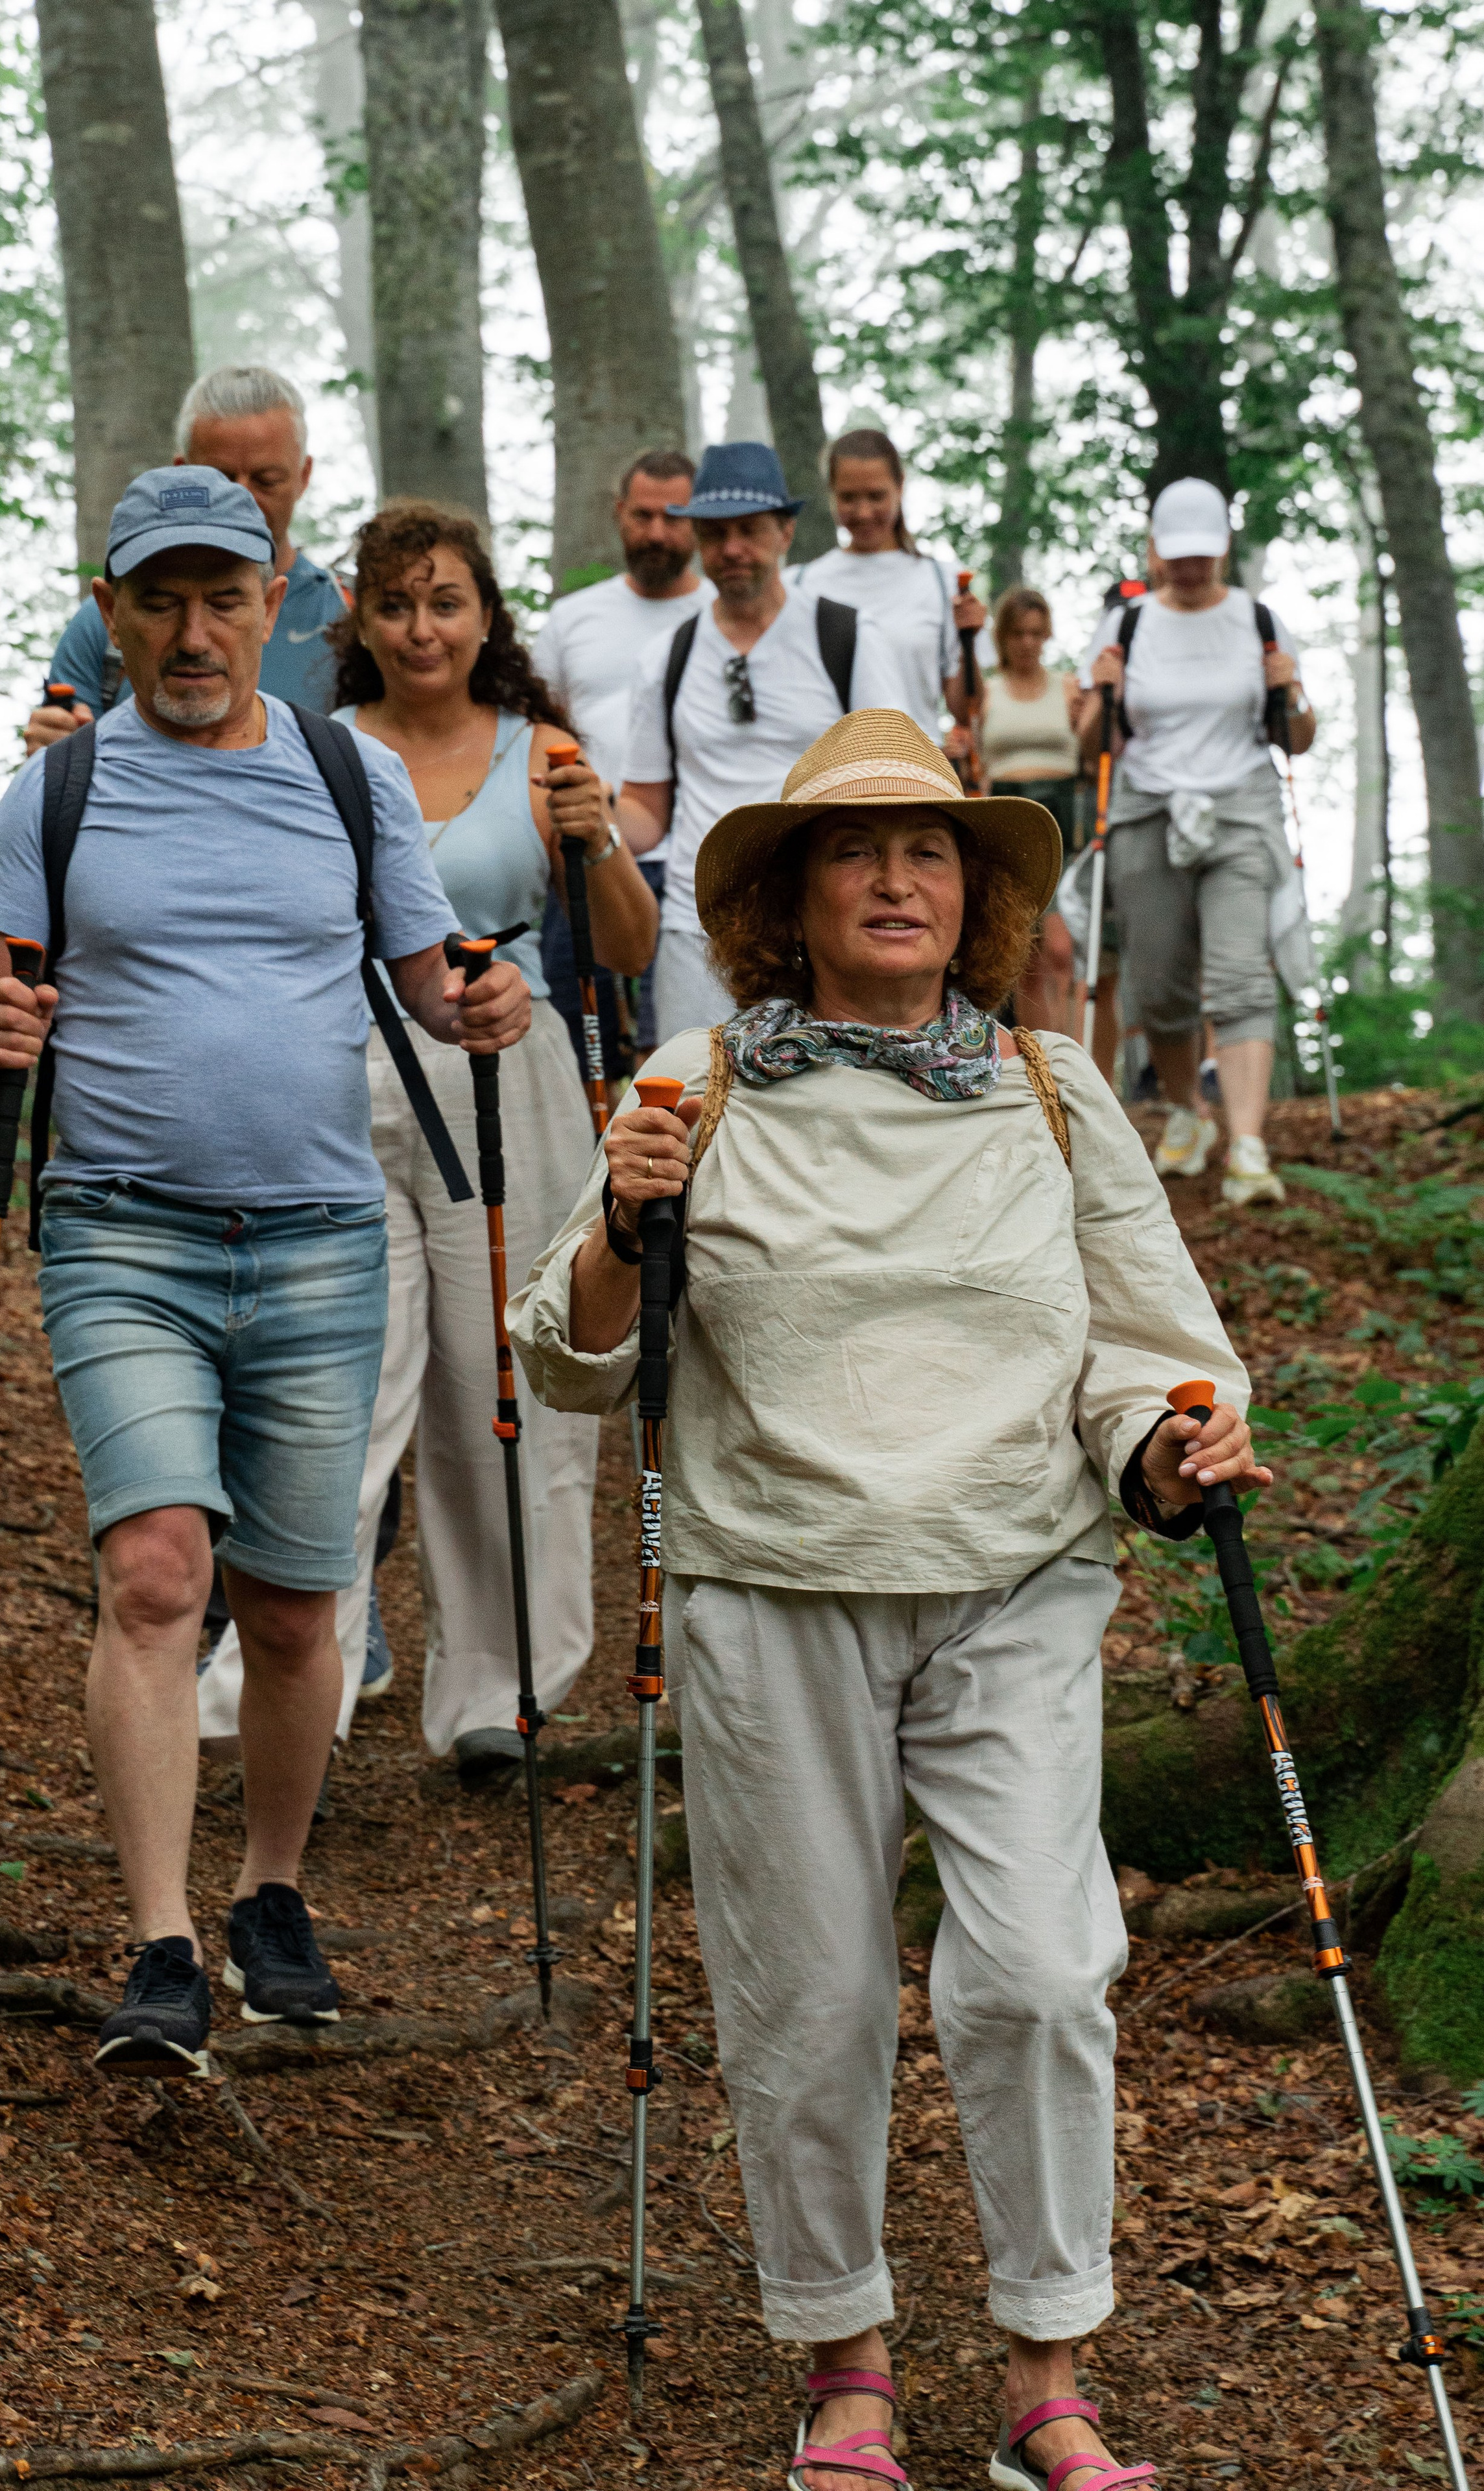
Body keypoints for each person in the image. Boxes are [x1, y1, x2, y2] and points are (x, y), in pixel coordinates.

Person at [511, 706, 1266, 2491]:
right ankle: (845, 2365)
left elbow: (1149, 1361)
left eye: (933, 851)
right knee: (813, 1992)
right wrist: (626, 1226)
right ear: (792, 894)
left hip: (1013, 1579)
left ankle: (1045, 2376)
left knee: (1043, 1970)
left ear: (975, 896)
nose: (902, 879)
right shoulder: (693, 1090)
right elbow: (565, 1359)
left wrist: (1172, 1447)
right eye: (861, 851)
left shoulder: (1046, 1090)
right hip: (776, 1587)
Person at [0, 469, 527, 2070]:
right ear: (114, 610)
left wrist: (486, 1002)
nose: (191, 632)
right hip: (122, 1231)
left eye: (223, 598)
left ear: (276, 606)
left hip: (323, 1240)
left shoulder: (346, 778)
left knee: (289, 1603)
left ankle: (270, 1889)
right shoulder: (54, 799)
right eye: (159, 599)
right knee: (153, 1571)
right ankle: (161, 1943)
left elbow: (430, 977)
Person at [198, 499, 656, 1781]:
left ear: (484, 613)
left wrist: (595, 837)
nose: (419, 627)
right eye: (393, 603)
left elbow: (622, 950)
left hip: (509, 1070)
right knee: (336, 1374)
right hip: (341, 1071)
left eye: (443, 599)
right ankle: (285, 1685)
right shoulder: (313, 747)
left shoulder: (541, 749)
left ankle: (496, 1689)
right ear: (358, 618)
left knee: (498, 1375)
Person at [618, 440, 912, 1042]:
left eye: (749, 530)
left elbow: (896, 779)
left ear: (786, 532)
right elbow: (646, 811)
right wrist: (587, 817)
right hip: (695, 930)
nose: (731, 550)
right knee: (697, 1112)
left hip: (822, 927)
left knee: (824, 1115)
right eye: (714, 533)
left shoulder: (848, 638)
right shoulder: (667, 658)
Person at [1082, 477, 1316, 1207]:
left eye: (1202, 555)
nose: (1188, 568)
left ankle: (1248, 1145)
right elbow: (1090, 742)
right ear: (1154, 550)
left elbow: (1297, 739)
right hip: (1145, 806)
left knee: (1241, 970)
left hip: (1241, 804)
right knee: (1156, 984)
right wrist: (1100, 692)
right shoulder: (1125, 626)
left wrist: (1292, 690)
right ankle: (1189, 1113)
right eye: (1176, 555)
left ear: (1223, 549)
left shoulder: (1260, 622)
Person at [23, 365, 349, 751]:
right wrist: (52, 756)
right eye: (221, 479)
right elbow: (63, 767)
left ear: (303, 475)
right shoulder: (107, 626)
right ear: (181, 472)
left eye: (267, 479)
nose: (244, 499)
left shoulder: (349, 618)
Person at [532, 449, 706, 1063]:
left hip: (694, 864)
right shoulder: (573, 620)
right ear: (618, 515)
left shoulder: (719, 619)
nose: (657, 532)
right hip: (584, 855)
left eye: (674, 516)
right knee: (579, 1040)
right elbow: (534, 728)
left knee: (683, 1051)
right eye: (642, 516)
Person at [795, 427, 987, 743]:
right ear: (831, 494)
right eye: (848, 498)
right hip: (828, 777)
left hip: (916, 774)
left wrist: (969, 643)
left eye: (876, 496)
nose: (864, 512)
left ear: (900, 487)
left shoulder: (943, 582)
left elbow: (965, 711)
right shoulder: (801, 584)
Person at [983, 586, 1082, 1033]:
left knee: (1063, 948)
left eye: (1037, 633)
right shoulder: (986, 693)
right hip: (1010, 816)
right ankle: (1042, 1069)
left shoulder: (1068, 687)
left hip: (1064, 815)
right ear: (1003, 637)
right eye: (1019, 633)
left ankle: (1075, 1063)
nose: (1028, 643)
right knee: (1030, 953)